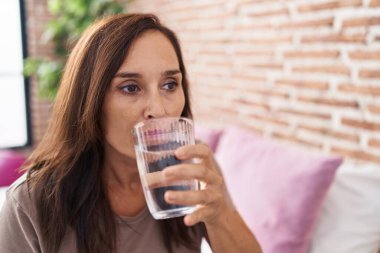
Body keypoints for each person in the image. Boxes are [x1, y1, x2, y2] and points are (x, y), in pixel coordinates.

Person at [0, 13, 262, 253]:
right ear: (90, 101)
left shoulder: (190, 170)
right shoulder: (29, 205)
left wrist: (221, 214)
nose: (158, 110)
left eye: (170, 84)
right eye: (130, 88)